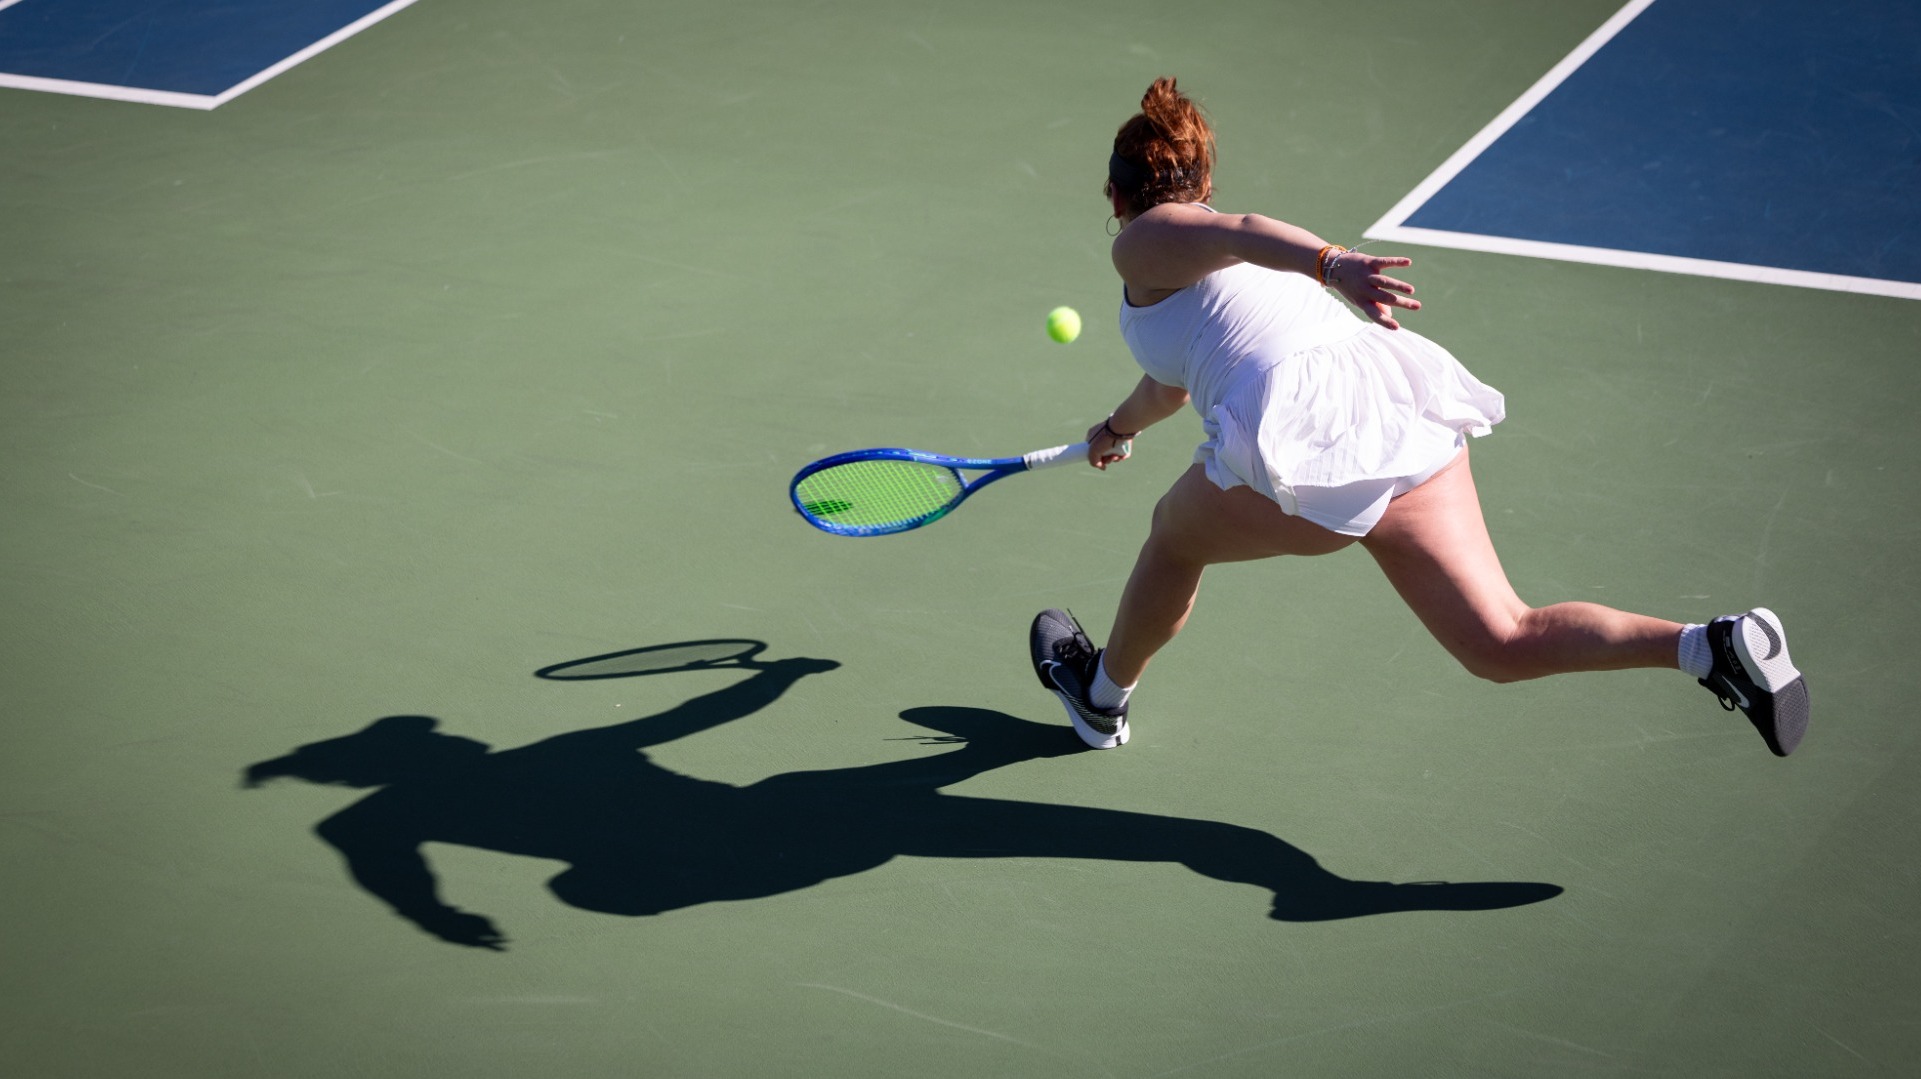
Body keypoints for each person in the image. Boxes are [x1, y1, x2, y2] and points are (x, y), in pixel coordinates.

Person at [1029, 78, 1809, 757]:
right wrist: (1117, 427)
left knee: (1173, 536)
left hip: (1305, 435)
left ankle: (1101, 699)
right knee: (1500, 640)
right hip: (1390, 405)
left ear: (1116, 196)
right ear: (1203, 178)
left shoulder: (1141, 245)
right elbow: (1167, 385)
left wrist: (1332, 264)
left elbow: (1235, 229)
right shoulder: (1202, 269)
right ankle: (1709, 647)